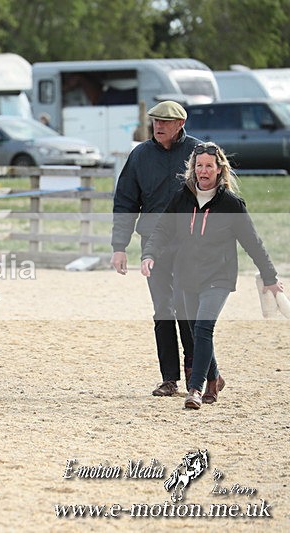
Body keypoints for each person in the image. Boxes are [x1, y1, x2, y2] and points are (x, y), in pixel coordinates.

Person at [141, 142, 283, 409]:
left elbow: (253, 243)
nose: (203, 171)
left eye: (209, 166)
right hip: (185, 275)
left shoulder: (231, 204)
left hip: (218, 276)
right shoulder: (181, 197)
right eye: (199, 166)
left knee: (204, 327)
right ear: (193, 169)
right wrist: (149, 254)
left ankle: (195, 389)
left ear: (219, 170)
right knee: (196, 331)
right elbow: (162, 230)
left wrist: (270, 277)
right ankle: (215, 378)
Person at [111, 100, 200, 397]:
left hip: (191, 245)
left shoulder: (199, 154)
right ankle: (169, 378)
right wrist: (119, 246)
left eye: (165, 122)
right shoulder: (140, 156)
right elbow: (125, 202)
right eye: (155, 121)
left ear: (180, 124)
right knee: (163, 309)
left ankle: (195, 375)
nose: (158, 126)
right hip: (153, 245)